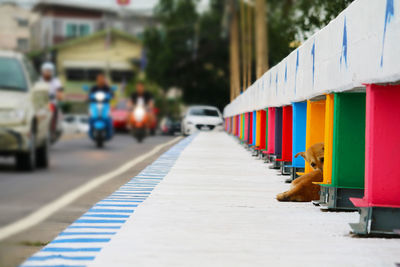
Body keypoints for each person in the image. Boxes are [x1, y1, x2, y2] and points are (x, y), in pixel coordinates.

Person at [40, 62, 63, 142]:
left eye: (49, 71)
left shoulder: (56, 82)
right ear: (42, 71)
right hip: (41, 104)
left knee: (53, 110)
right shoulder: (39, 81)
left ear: (53, 72)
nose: (47, 73)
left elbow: (59, 93)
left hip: (51, 103)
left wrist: (58, 95)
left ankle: (52, 130)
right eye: (46, 71)